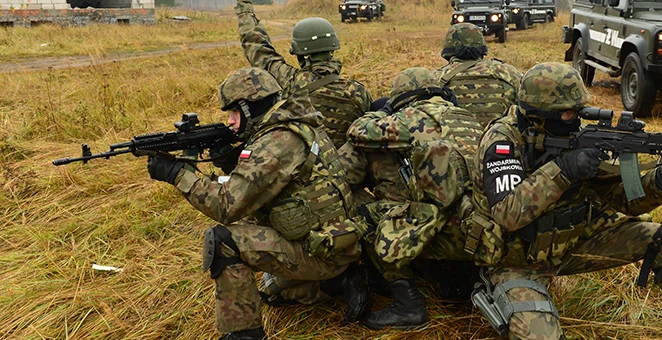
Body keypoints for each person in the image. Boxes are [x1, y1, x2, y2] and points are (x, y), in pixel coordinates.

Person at [467, 62, 662, 340]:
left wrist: (660, 183)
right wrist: (563, 170)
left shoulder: (575, 137)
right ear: (538, 115)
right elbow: (508, 214)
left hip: (572, 244)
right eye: (569, 113)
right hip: (517, 260)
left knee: (659, 238)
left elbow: (623, 200)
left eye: (579, 111)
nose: (576, 119)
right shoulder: (502, 142)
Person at [146, 68, 367, 339]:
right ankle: (336, 282)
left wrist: (177, 174)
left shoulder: (277, 141)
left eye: (233, 114)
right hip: (331, 241)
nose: (230, 123)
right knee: (270, 291)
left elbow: (226, 206)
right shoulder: (297, 122)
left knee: (223, 241)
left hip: (321, 251)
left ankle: (245, 335)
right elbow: (263, 186)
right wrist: (232, 162)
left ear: (250, 108)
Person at [339, 67, 484, 330]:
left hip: (446, 234)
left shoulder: (409, 119)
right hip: (482, 233)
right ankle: (460, 280)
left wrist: (382, 111)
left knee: (363, 216)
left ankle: (408, 306)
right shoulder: (468, 117)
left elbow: (357, 130)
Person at [235, 0, 372, 148]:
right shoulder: (358, 92)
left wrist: (245, 9)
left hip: (297, 168)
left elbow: (256, 46)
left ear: (301, 54)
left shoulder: (289, 81)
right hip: (343, 169)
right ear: (332, 50)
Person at [434, 23, 523, 125]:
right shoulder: (509, 74)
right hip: (499, 139)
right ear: (482, 47)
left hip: (455, 140)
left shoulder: (436, 78)